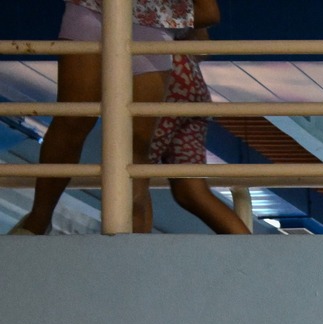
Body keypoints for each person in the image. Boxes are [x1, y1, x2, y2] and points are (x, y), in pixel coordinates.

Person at [8, 0, 188, 234]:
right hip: (92, 6)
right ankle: (38, 221)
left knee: (136, 143)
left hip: (156, 16)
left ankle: (132, 238)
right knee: (73, 119)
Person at [138, 0, 248, 234]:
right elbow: (202, 46)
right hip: (189, 78)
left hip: (159, 75)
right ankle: (255, 251)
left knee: (134, 171)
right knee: (191, 190)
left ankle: (131, 249)